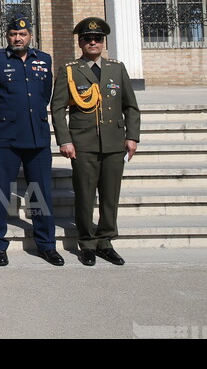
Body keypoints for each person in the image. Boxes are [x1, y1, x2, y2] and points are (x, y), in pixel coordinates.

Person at [50, 17, 140, 267]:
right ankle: (87, 243)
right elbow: (57, 109)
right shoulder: (69, 69)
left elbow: (131, 106)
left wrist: (132, 136)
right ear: (80, 42)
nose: (93, 42)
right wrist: (65, 140)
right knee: (85, 196)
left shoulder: (116, 68)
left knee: (110, 195)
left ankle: (106, 241)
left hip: (114, 143)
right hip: (83, 143)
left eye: (98, 39)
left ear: (103, 42)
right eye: (88, 39)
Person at [0, 15, 62, 267]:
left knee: (40, 194)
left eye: (23, 35)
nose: (18, 38)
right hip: (5, 138)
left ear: (30, 37)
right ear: (7, 36)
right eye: (13, 34)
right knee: (1, 193)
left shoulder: (44, 59)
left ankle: (46, 245)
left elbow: (44, 93)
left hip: (36, 137)